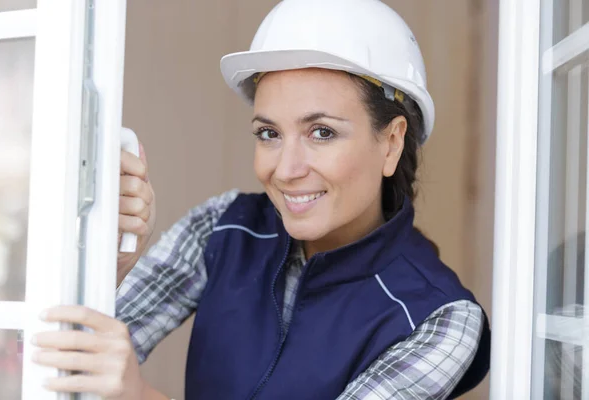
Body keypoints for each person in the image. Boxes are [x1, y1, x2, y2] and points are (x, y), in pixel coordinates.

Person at [31, 0, 491, 398]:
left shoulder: (440, 321)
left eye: (322, 132)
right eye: (269, 133)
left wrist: (140, 396)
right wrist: (105, 266)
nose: (286, 169)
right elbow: (45, 364)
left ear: (391, 142)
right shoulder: (221, 228)